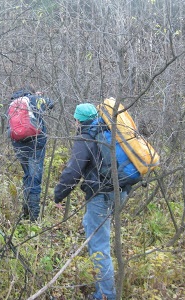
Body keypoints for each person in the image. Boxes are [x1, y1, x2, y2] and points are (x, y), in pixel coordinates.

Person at [54, 103, 131, 300]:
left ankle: (106, 295)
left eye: (75, 119)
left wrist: (58, 195)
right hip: (120, 192)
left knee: (99, 246)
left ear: (78, 120)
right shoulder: (109, 131)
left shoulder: (86, 137)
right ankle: (106, 287)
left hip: (101, 195)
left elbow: (73, 172)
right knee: (95, 229)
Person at [9, 86, 54, 221]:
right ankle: (33, 219)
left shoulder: (12, 104)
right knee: (34, 179)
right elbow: (51, 103)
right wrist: (39, 97)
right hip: (36, 144)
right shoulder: (34, 99)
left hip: (18, 144)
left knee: (28, 175)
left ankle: (25, 212)